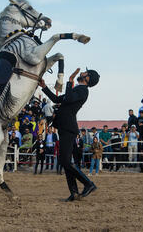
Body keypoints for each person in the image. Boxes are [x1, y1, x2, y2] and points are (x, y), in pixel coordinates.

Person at [39, 68, 99, 201]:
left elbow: (70, 97)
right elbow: (56, 98)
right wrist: (44, 87)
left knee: (65, 161)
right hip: (65, 127)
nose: (82, 73)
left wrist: (70, 81)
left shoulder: (83, 90)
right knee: (65, 161)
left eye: (84, 73)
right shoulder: (77, 89)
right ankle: (74, 193)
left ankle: (88, 184)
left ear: (88, 78)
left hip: (68, 128)